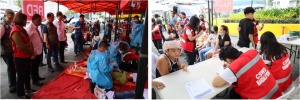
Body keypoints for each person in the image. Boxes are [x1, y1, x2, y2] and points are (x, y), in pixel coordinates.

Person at [212, 46, 282, 99]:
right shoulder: (252, 52)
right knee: (233, 93)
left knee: (233, 94)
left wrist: (230, 68)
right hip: (277, 93)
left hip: (263, 97)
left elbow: (215, 83)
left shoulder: (234, 68)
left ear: (228, 60)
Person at [10, 12, 37, 99]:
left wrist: (32, 51)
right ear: (21, 20)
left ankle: (28, 89)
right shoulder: (15, 31)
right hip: (20, 57)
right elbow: (21, 46)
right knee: (21, 76)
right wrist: (32, 52)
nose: (26, 21)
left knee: (27, 74)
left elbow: (28, 42)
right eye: (25, 20)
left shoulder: (22, 29)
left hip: (26, 56)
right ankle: (20, 94)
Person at [25, 14, 45, 86]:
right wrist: (31, 51)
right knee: (33, 66)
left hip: (38, 50)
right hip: (34, 51)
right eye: (39, 20)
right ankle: (35, 80)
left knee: (36, 66)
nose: (40, 21)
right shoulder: (30, 27)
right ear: (34, 20)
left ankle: (37, 77)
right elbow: (27, 39)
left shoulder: (36, 27)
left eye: (41, 20)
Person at [0, 9, 16, 93]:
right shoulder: (2, 26)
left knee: (13, 68)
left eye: (12, 18)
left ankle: (13, 84)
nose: (11, 20)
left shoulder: (9, 24)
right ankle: (12, 87)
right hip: (6, 52)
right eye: (10, 18)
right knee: (11, 69)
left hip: (10, 51)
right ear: (5, 16)